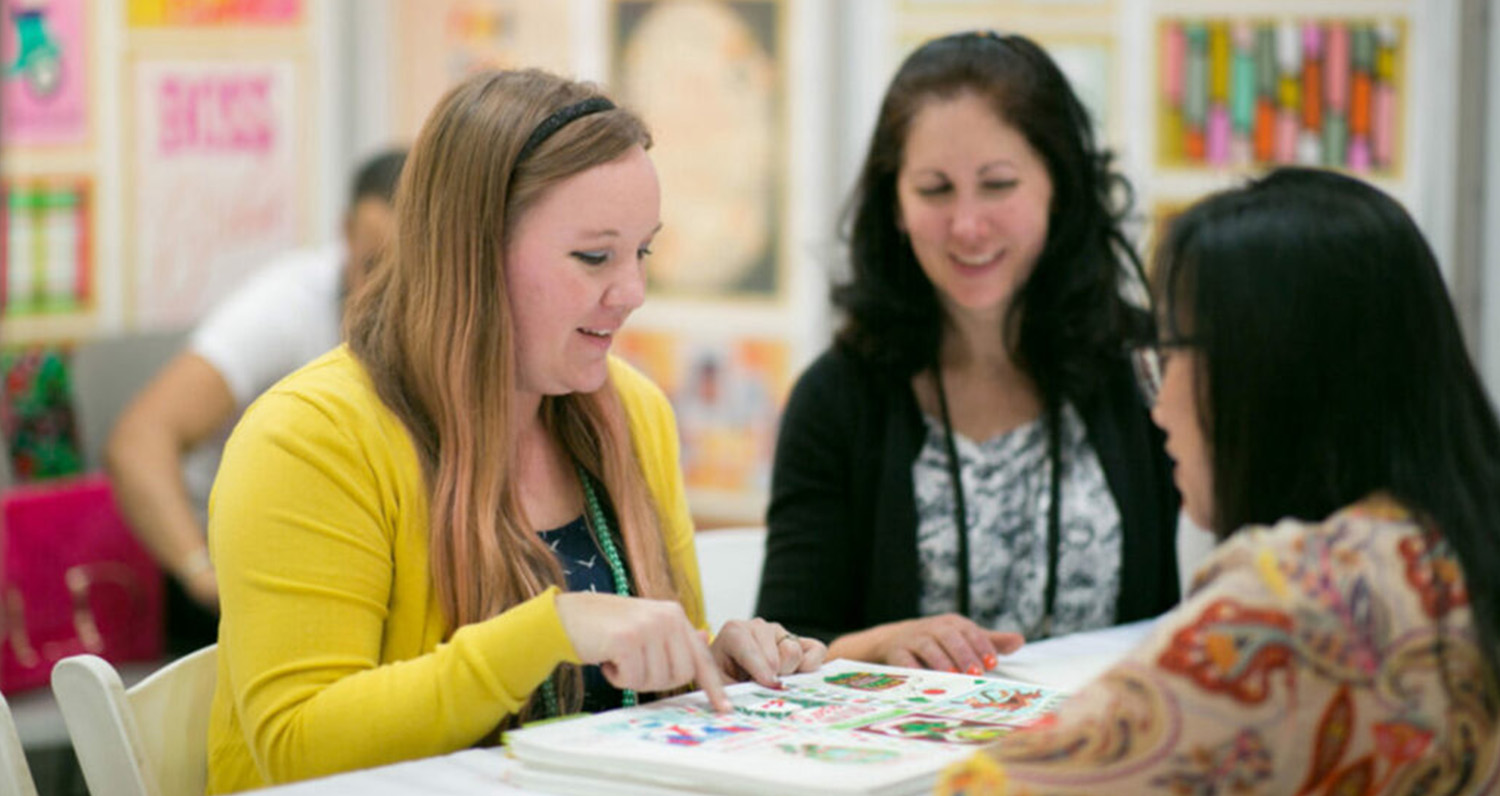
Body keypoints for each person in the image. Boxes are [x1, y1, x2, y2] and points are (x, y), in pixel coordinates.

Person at [204, 69, 826, 793]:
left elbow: (641, 710)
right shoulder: (308, 439)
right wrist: (549, 630)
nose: (631, 293)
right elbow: (297, 747)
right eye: (594, 256)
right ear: (469, 254)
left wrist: (710, 664)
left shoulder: (633, 412)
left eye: (642, 252)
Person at [940, 167, 1500, 794]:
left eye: (1171, 354)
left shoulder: (1294, 600)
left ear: (1265, 375)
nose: (1158, 404)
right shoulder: (1453, 547)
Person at [756, 31, 1179, 673]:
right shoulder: (836, 396)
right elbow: (784, 644)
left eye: (998, 184)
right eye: (934, 190)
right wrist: (875, 647)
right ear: (894, 203)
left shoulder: (1147, 368)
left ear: (1058, 187)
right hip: (913, 766)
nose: (968, 225)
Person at [105, 148, 407, 654]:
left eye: (407, 275)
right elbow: (137, 440)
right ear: (347, 231)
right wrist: (203, 575)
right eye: (371, 265)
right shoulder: (283, 309)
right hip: (229, 572)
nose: (385, 293)